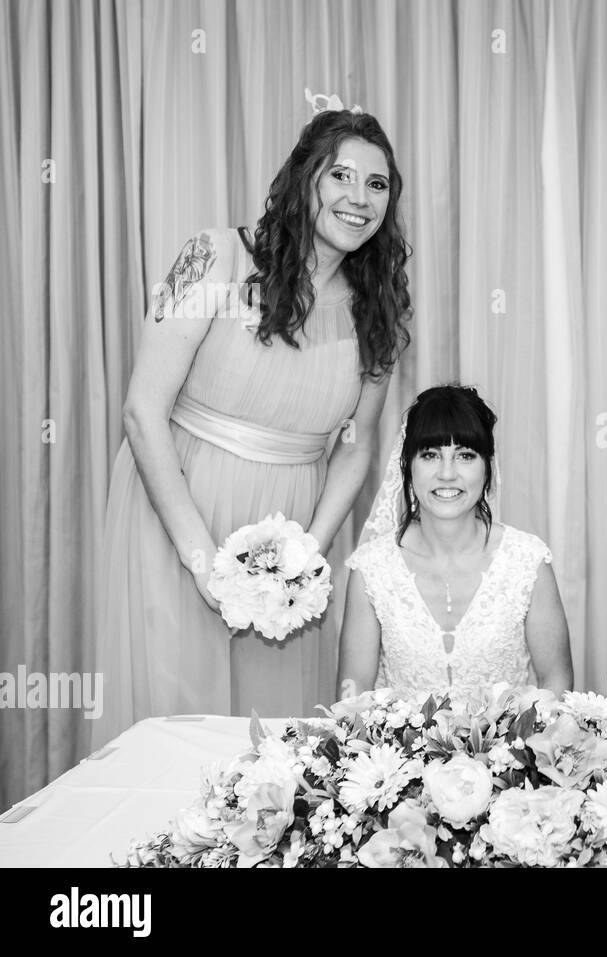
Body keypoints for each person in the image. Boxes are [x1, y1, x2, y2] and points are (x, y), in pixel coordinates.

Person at [92, 107, 411, 747]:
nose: (359, 197)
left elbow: (358, 447)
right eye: (340, 175)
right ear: (305, 178)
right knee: (173, 729)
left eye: (377, 185)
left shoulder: (380, 305)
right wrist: (202, 560)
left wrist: (306, 558)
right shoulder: (214, 256)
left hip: (290, 536)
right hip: (177, 513)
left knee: (268, 751)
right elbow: (141, 412)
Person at [338, 385, 573, 701]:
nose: (447, 473)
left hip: (505, 749)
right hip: (397, 750)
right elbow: (352, 697)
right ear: (407, 466)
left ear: (488, 467)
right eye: (431, 455)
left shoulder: (528, 563)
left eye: (465, 455)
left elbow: (556, 681)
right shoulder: (371, 570)